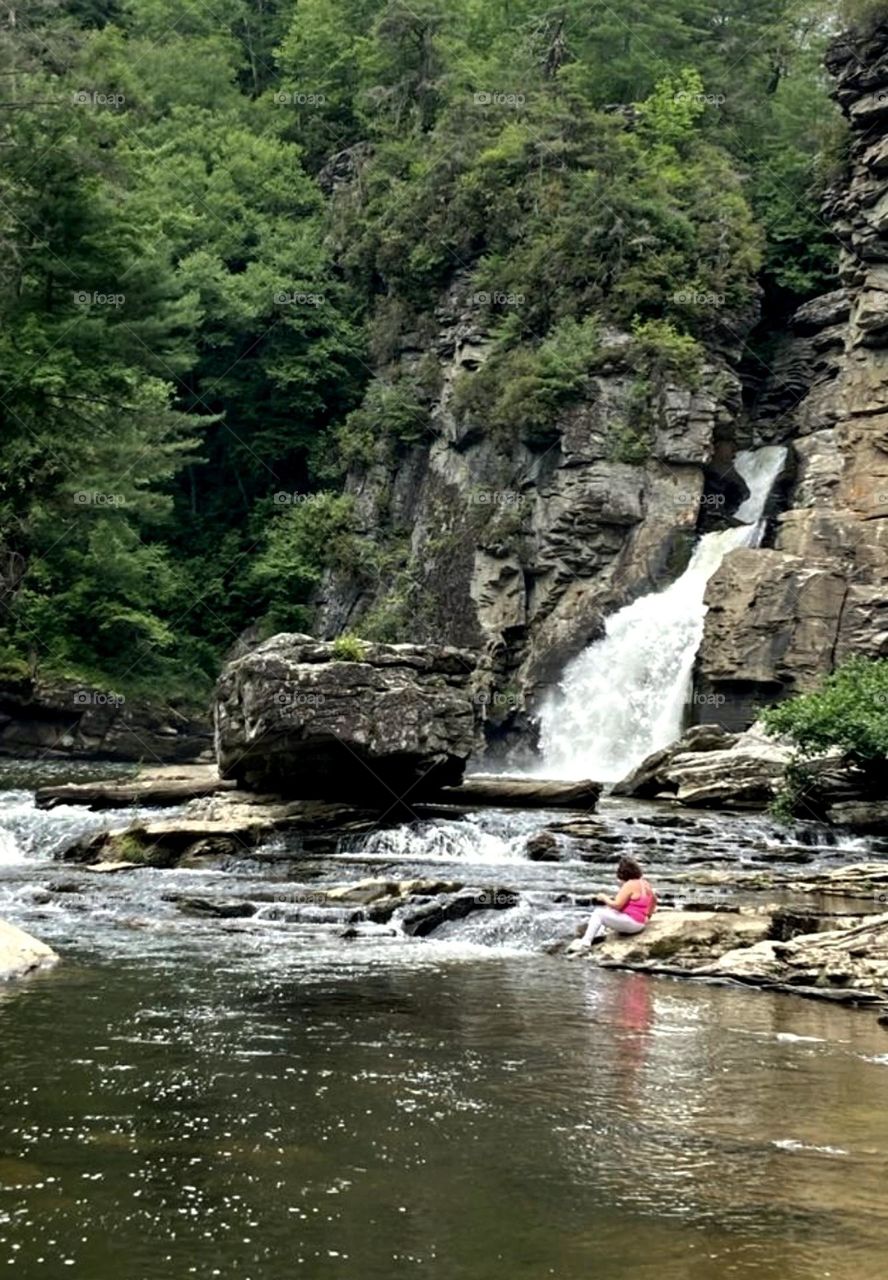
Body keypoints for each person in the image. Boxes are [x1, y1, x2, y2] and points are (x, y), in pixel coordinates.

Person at [568, 856, 657, 955]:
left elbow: (617, 905)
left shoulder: (630, 885)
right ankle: (599, 934)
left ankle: (585, 942)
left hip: (631, 924)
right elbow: (654, 900)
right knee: (607, 910)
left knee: (598, 912)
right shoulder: (645, 883)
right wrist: (648, 916)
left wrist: (604, 897)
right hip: (640, 924)